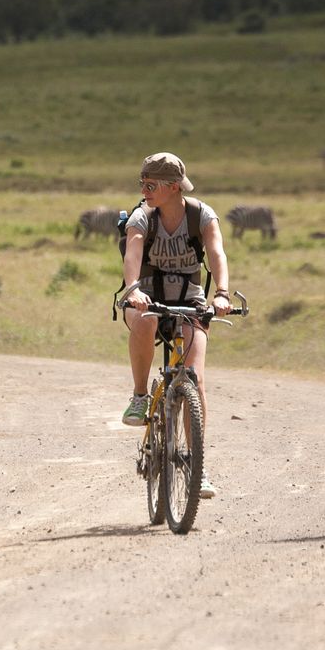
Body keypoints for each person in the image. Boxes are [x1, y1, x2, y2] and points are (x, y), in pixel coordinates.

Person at [120, 152, 232, 500]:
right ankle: (140, 396)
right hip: (148, 297)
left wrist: (223, 294)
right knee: (143, 321)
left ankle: (197, 468)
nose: (144, 190)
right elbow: (133, 253)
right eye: (142, 183)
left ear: (173, 187)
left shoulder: (201, 216)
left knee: (194, 380)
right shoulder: (143, 216)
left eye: (150, 184)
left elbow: (217, 253)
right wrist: (133, 289)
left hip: (190, 300)